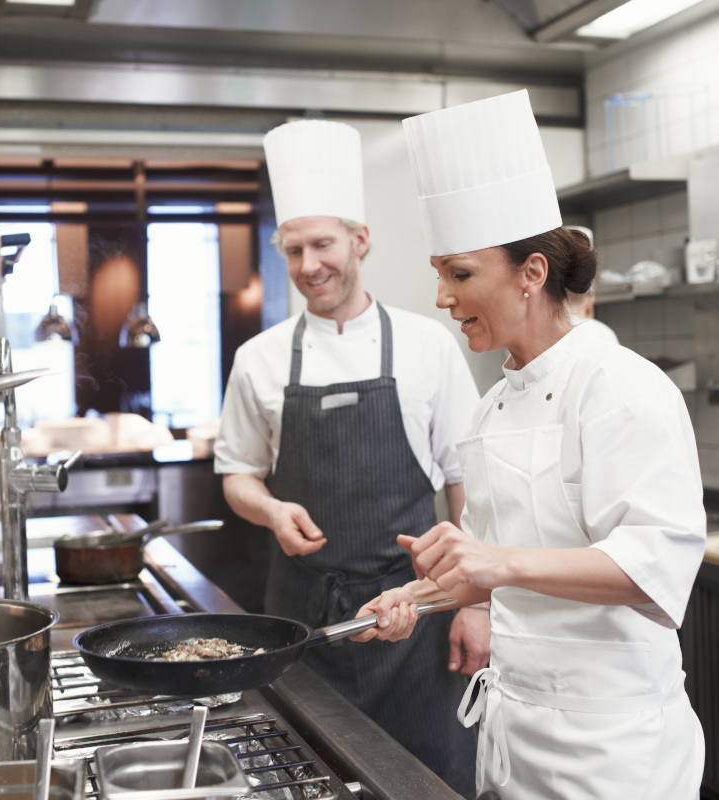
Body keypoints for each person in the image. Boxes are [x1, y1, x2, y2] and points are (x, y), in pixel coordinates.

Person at [352, 90, 706, 799]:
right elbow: (493, 570)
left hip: (614, 746)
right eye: (439, 275)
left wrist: (495, 559)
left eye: (459, 274)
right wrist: (415, 599)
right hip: (514, 733)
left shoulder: (620, 386)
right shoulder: (492, 408)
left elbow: (656, 567)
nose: (443, 298)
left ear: (532, 274)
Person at [214, 118, 481, 798]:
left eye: (324, 243)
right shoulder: (260, 359)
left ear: (360, 240)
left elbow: (466, 483)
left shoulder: (428, 346)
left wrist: (476, 604)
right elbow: (236, 473)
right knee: (306, 776)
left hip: (418, 617)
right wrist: (270, 508)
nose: (309, 265)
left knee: (430, 779)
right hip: (304, 621)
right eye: (294, 248)